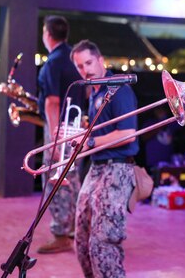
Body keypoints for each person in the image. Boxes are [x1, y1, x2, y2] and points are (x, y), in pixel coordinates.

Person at [70, 39, 139, 278]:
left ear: (100, 60)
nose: (85, 70)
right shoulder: (94, 92)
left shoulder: (118, 89)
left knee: (103, 244)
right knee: (81, 240)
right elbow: (100, 134)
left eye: (88, 62)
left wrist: (88, 141)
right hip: (97, 167)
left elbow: (128, 134)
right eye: (79, 66)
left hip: (117, 169)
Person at [36, 15, 85, 254]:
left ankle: (60, 234)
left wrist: (57, 140)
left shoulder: (52, 62)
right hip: (77, 127)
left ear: (47, 34)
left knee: (56, 179)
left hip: (60, 128)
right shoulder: (75, 59)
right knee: (73, 179)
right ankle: (76, 229)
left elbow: (52, 103)